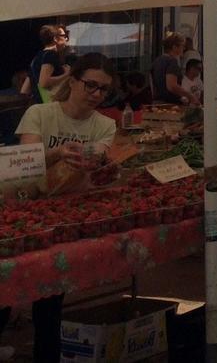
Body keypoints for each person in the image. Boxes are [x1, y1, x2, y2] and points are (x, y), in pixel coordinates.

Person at [7, 53, 116, 360]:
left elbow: (99, 168)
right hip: (24, 210)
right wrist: (56, 154)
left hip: (66, 217)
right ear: (73, 81)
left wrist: (106, 167)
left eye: (103, 89)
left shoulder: (105, 125)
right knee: (7, 289)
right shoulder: (40, 114)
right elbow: (26, 164)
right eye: (90, 85)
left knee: (50, 299)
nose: (96, 94)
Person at [27, 24, 69, 104]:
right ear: (55, 39)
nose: (66, 38)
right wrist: (67, 74)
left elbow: (25, 89)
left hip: (39, 104)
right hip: (50, 104)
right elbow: (44, 82)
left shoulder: (37, 57)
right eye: (64, 35)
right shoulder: (51, 55)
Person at [151, 33, 191, 105]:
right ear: (174, 47)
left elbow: (152, 85)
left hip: (156, 102)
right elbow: (172, 86)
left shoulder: (156, 61)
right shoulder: (172, 61)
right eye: (182, 46)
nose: (184, 49)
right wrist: (190, 96)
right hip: (170, 104)